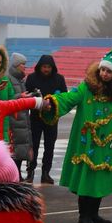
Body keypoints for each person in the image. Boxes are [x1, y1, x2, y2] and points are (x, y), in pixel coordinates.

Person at [39, 41, 112, 223]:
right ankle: (84, 217)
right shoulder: (86, 87)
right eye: (103, 70)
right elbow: (69, 98)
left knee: (99, 180)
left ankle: (94, 214)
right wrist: (52, 103)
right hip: (87, 144)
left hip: (106, 146)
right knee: (87, 179)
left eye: (108, 71)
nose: (104, 74)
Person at [24, 55, 67, 183]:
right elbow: (26, 96)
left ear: (52, 67)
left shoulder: (59, 79)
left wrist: (53, 103)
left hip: (52, 118)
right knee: (33, 146)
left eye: (48, 67)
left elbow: (65, 97)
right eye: (44, 67)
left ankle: (46, 173)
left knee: (50, 146)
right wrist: (37, 102)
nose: (46, 69)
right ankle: (30, 172)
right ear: (39, 67)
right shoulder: (31, 78)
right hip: (36, 117)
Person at [7, 52, 33, 180]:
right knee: (16, 148)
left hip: (22, 117)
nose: (24, 67)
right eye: (23, 64)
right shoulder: (9, 79)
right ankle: (15, 175)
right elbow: (8, 99)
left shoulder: (20, 79)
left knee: (21, 147)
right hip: (14, 118)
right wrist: (20, 97)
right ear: (16, 65)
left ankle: (17, 174)